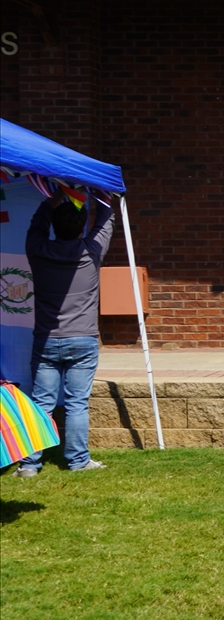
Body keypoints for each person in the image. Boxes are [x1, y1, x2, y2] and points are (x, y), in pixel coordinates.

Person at [13, 190, 114, 477]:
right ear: (81, 227)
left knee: (41, 403)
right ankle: (78, 461)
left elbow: (37, 224)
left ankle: (29, 465)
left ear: (54, 226)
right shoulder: (91, 251)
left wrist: (54, 198)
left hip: (46, 340)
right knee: (76, 403)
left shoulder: (38, 249)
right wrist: (100, 194)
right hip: (83, 339)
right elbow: (106, 219)